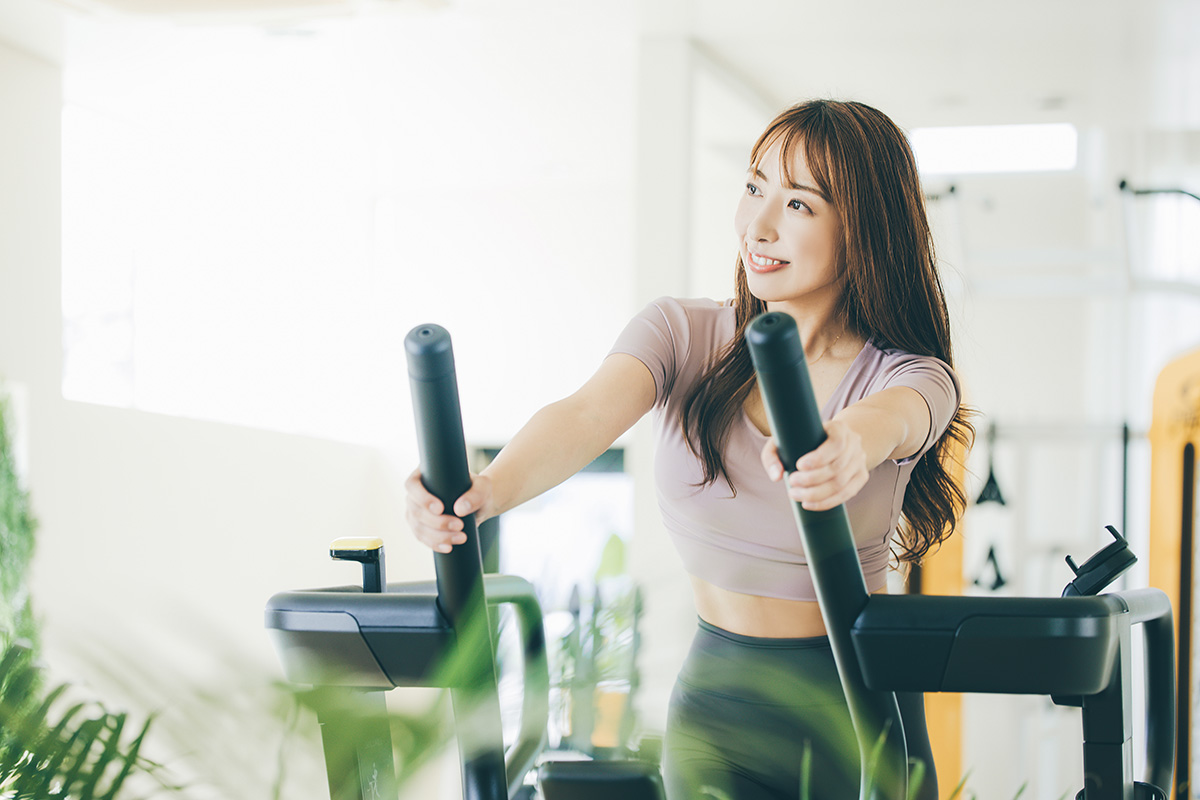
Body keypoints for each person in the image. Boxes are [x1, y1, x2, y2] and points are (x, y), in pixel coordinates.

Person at [406, 99, 974, 800]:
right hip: (715, 705)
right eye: (755, 187)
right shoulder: (681, 335)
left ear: (863, 228)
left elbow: (899, 417)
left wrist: (847, 443)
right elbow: (585, 414)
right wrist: (489, 488)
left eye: (799, 204)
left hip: (856, 710)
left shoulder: (907, 374)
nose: (758, 224)